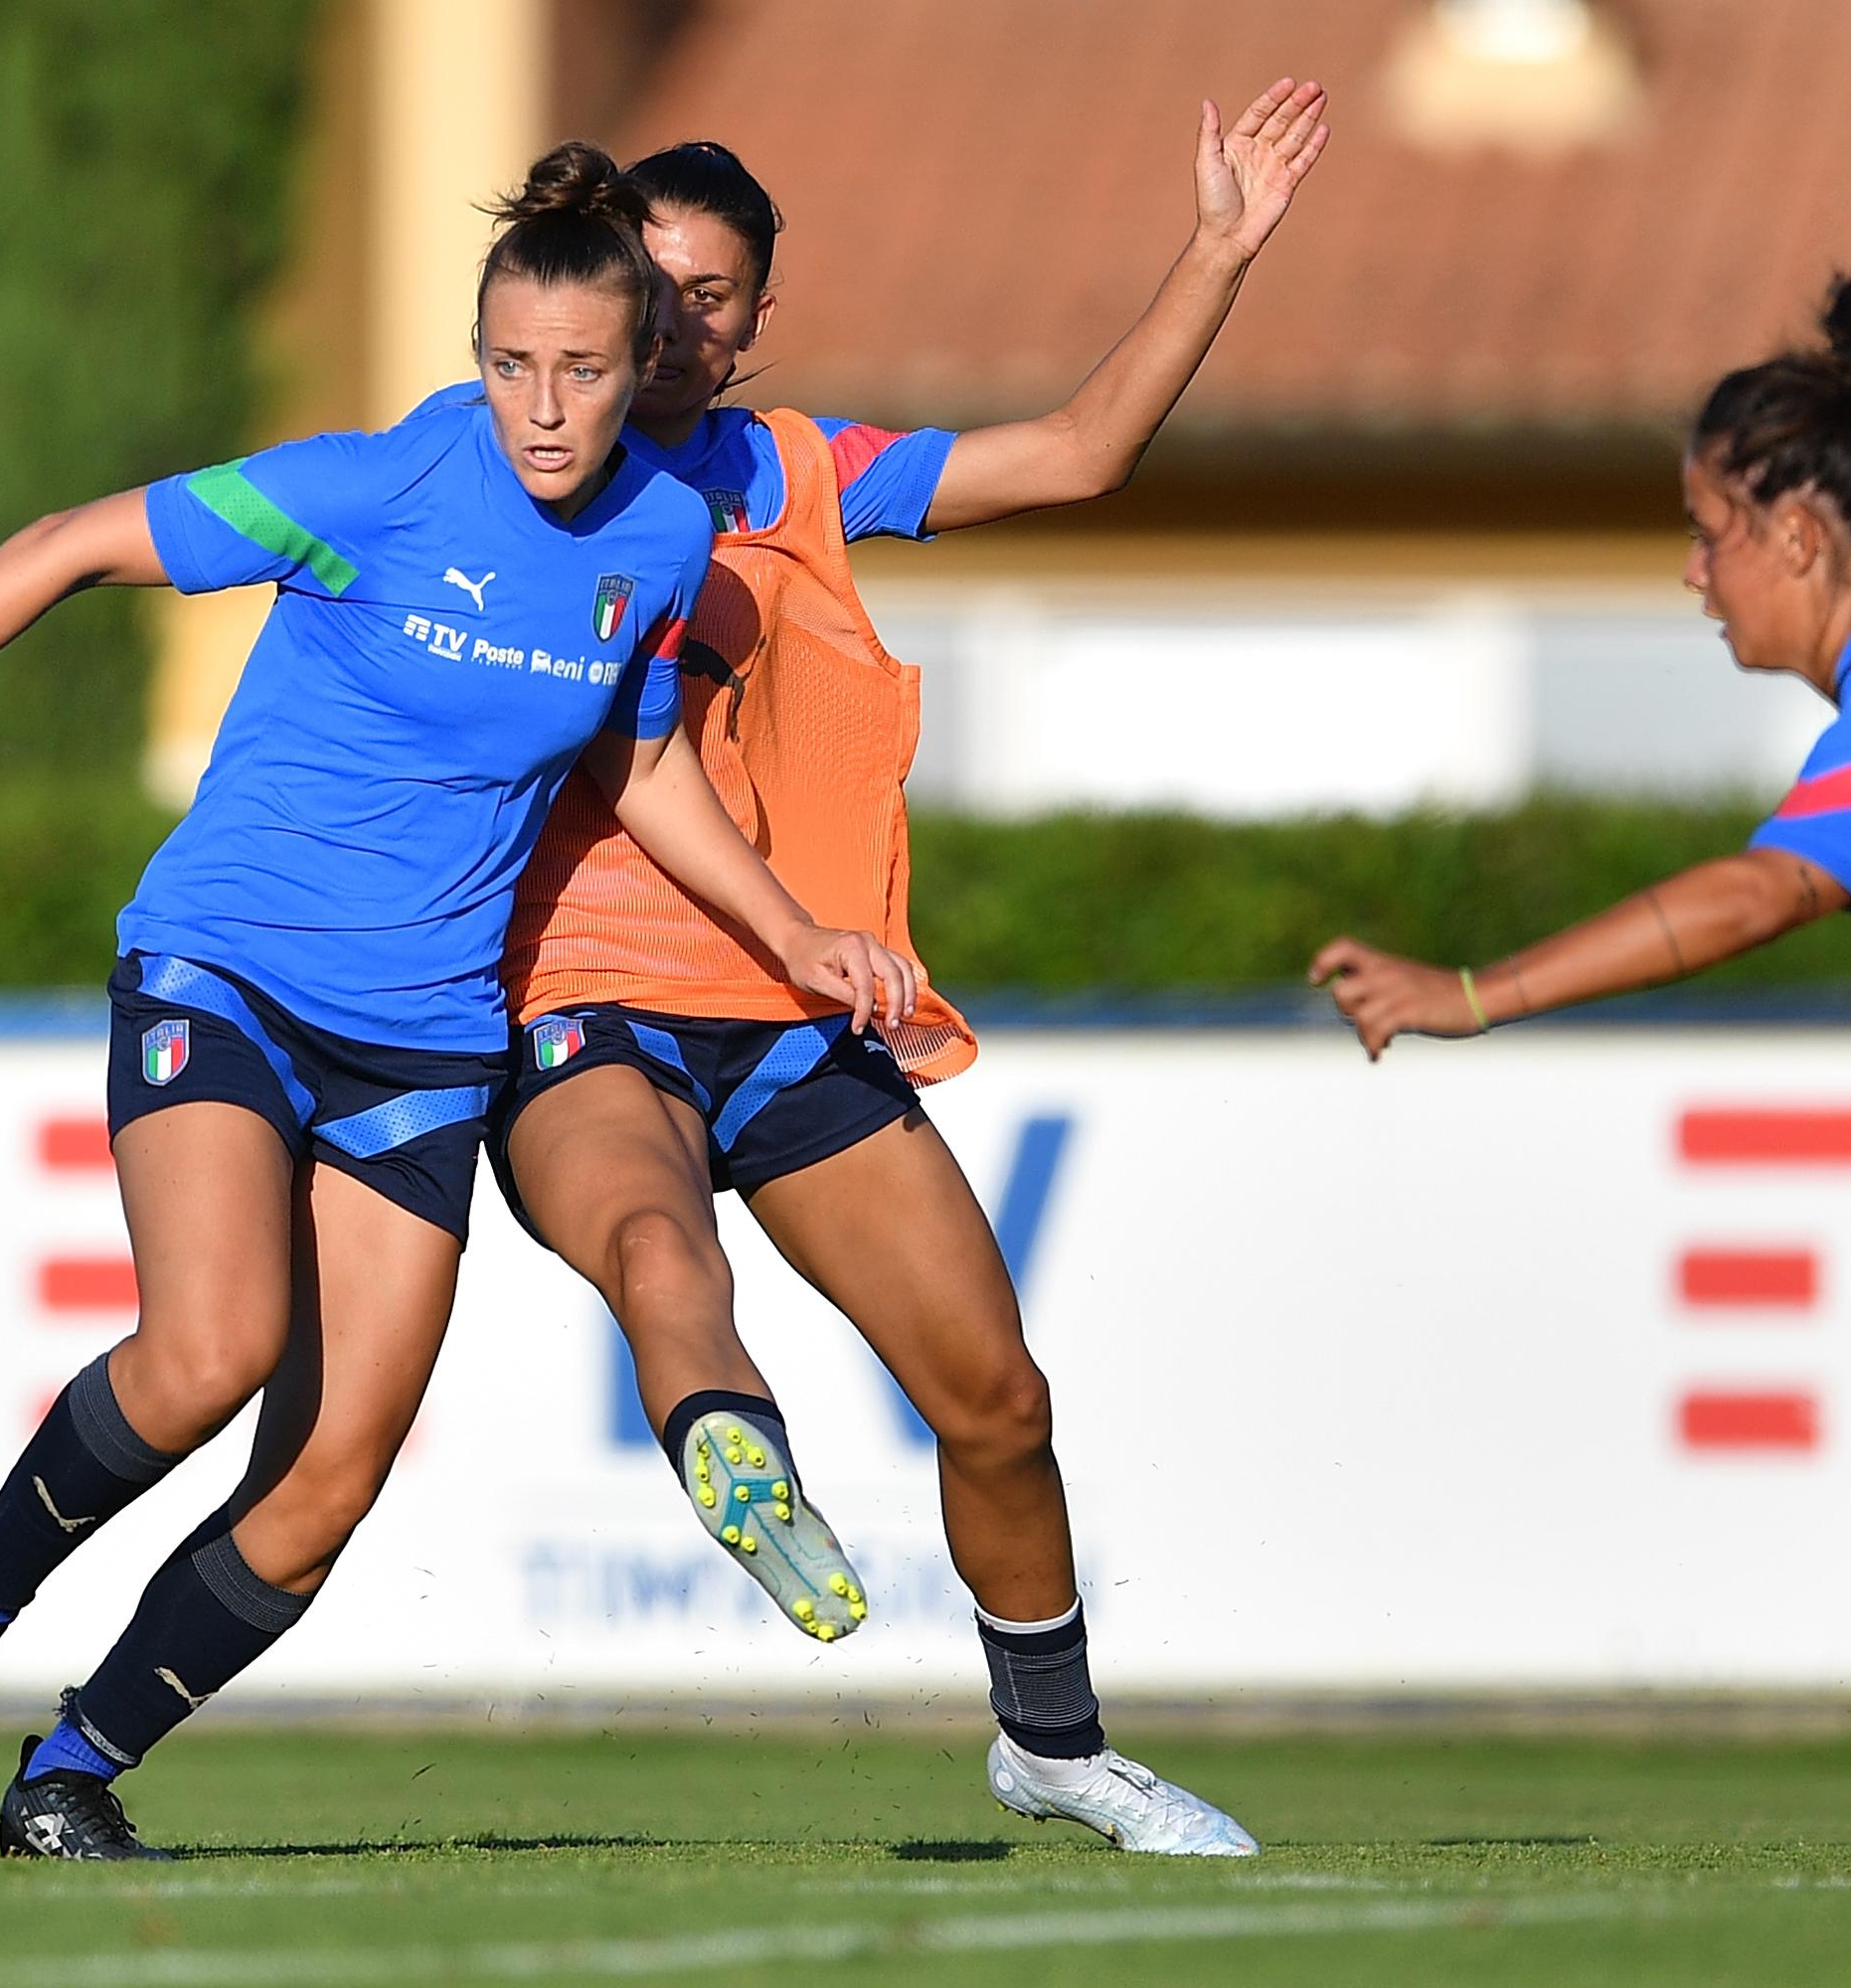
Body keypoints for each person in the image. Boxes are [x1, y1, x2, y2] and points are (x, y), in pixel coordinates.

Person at [0, 143, 919, 1861]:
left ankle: (71, 1775)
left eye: (584, 374)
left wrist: (794, 933)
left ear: (642, 374)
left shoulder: (668, 536)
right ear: (477, 356)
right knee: (214, 1344)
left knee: (324, 1491)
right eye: (512, 367)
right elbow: (70, 542)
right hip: (227, 965)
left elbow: (647, 756)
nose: (544, 409)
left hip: (426, 1036)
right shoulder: (373, 489)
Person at [492, 85, 1329, 1858]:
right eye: (650, 283)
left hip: (794, 1011)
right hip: (585, 999)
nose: (675, 323)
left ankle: (1055, 1745)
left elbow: (1083, 453)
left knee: (996, 1397)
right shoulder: (513, 464)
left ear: (755, 320)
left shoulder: (800, 470)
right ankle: (742, 1456)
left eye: (712, 295)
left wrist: (1219, 251)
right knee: (658, 1242)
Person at [1316, 272, 1851, 1161]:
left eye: (1707, 532)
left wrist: (1472, 995)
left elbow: (1751, 896)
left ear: (1798, 538)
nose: (1695, 573)